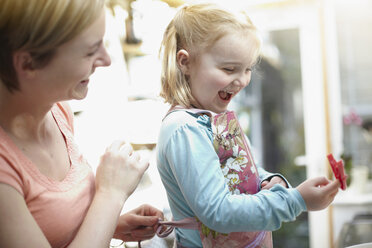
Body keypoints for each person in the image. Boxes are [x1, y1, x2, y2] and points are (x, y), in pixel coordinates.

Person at [156, 3, 340, 247]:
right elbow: (218, 211)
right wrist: (295, 201)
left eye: (247, 69)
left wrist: (272, 181)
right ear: (185, 62)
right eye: (229, 68)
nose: (242, 80)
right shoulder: (184, 129)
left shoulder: (214, 119)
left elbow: (240, 172)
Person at [0, 0, 163, 247]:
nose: (106, 60)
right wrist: (110, 195)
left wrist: (112, 225)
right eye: (90, 51)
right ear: (28, 64)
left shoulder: (57, 110)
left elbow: (48, 226)